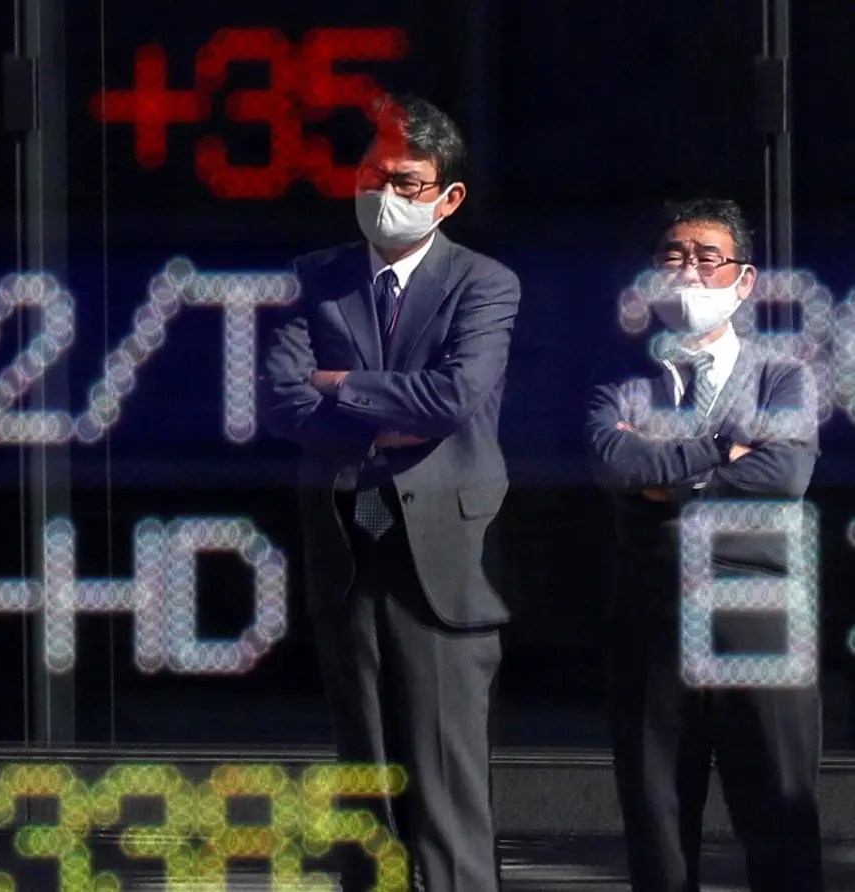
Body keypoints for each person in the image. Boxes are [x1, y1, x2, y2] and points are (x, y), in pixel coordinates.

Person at [259, 94, 520, 892]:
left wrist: (341, 386)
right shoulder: (311, 279)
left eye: (408, 181)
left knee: (446, 794)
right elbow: (279, 402)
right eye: (374, 174)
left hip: (445, 559)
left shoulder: (484, 284)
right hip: (348, 553)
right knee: (363, 791)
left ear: (447, 198)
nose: (387, 193)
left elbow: (452, 399)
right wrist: (384, 410)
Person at [586, 198, 823, 892]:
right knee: (658, 827)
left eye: (706, 257)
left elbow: (785, 474)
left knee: (780, 824)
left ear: (744, 281)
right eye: (672, 258)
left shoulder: (785, 374)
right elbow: (613, 464)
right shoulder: (620, 379)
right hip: (653, 619)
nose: (687, 271)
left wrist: (671, 483)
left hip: (761, 619)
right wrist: (724, 449)